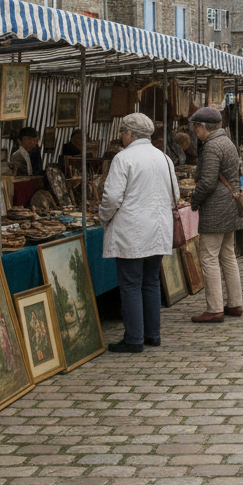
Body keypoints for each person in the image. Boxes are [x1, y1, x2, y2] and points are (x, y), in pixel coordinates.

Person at [98, 112, 178, 352]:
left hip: (132, 229)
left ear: (130, 134)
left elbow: (112, 198)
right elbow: (175, 195)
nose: (122, 137)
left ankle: (134, 339)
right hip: (157, 228)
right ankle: (152, 334)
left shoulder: (124, 158)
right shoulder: (164, 157)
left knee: (131, 284)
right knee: (151, 281)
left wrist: (103, 216)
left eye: (123, 132)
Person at [186, 107, 243, 323]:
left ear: (203, 126)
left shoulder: (211, 146)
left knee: (209, 257)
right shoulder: (226, 141)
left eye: (196, 127)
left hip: (216, 208)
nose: (195, 131)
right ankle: (235, 303)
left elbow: (208, 182)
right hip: (229, 205)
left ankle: (214, 308)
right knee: (228, 255)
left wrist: (194, 200)